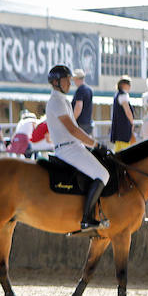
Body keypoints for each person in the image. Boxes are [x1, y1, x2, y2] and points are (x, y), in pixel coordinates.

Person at [44, 64, 109, 233]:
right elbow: (72, 130)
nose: (70, 84)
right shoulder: (56, 101)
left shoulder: (62, 100)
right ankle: (86, 218)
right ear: (57, 82)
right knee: (103, 174)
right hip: (68, 149)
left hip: (73, 146)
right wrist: (95, 144)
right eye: (66, 80)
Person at [109, 75, 136, 151]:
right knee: (125, 149)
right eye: (128, 84)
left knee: (118, 148)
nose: (130, 86)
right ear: (123, 85)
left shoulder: (118, 94)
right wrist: (132, 123)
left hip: (118, 129)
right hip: (124, 128)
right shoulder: (123, 95)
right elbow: (128, 111)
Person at [70, 69, 94, 136]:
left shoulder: (80, 90)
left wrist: (72, 120)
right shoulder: (89, 90)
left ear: (77, 79)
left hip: (80, 124)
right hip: (87, 123)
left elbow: (78, 106)